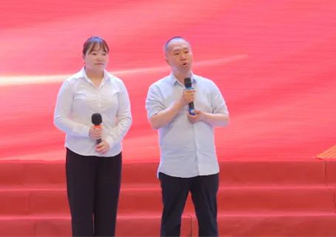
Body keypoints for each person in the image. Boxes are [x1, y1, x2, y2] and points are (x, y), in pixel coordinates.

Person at [145, 36, 230, 237]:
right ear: (167, 59)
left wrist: (203, 116)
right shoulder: (157, 89)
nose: (183, 57)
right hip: (175, 167)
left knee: (209, 222)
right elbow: (155, 122)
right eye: (177, 53)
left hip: (206, 165)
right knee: (171, 222)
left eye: (186, 51)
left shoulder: (208, 86)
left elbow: (224, 119)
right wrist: (181, 102)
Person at [54, 36, 133, 236]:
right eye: (94, 53)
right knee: (81, 211)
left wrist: (110, 141)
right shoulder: (72, 84)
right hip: (79, 154)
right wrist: (86, 131)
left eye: (104, 53)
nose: (99, 57)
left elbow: (126, 118)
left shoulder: (117, 84)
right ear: (84, 57)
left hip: (110, 154)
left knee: (107, 211)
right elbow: (59, 119)